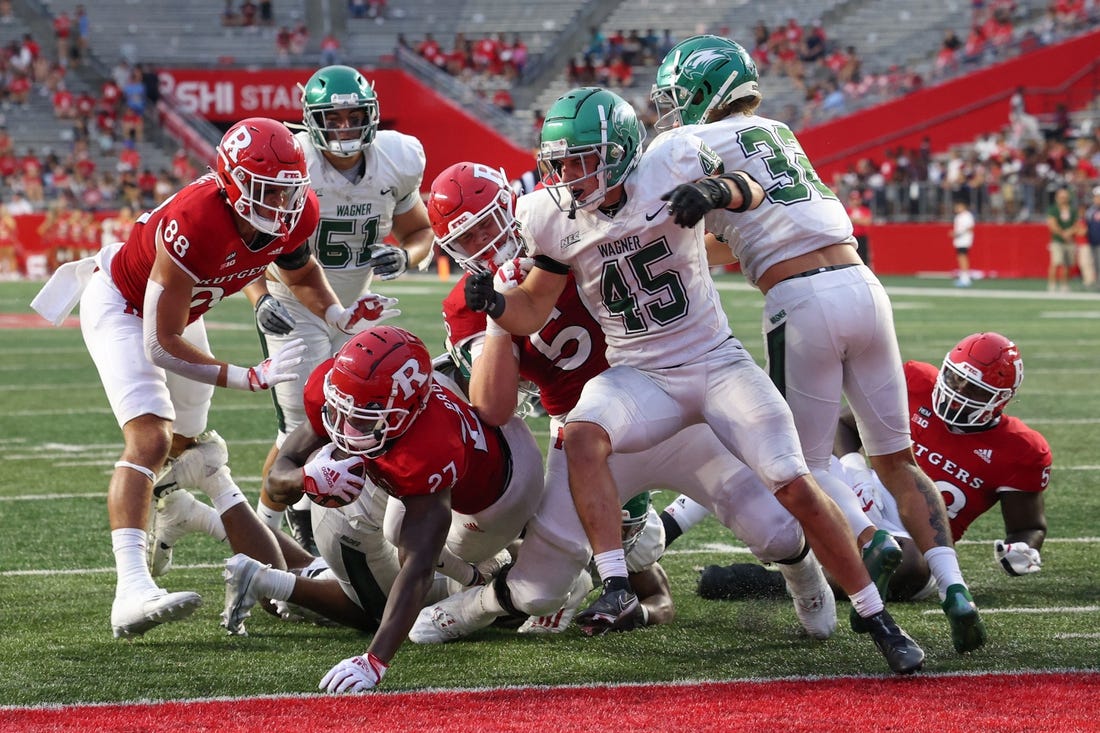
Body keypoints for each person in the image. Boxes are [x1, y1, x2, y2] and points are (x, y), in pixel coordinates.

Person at [464, 88, 924, 674]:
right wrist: (498, 309)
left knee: (794, 483)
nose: (567, 174)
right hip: (639, 372)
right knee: (580, 435)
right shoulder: (550, 216)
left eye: (582, 158)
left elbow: (753, 191)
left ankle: (875, 613)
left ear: (623, 149)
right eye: (559, 161)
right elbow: (532, 307)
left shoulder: (671, 161)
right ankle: (615, 583)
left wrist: (714, 190)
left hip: (714, 361)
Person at [649, 36, 985, 654]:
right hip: (864, 285)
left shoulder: (690, 145)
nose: (672, 113)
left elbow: (705, 213)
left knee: (802, 463)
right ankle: (955, 588)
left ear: (705, 90)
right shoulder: (779, 132)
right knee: (896, 458)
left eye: (678, 98)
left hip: (801, 300)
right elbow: (750, 226)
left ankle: (869, 538)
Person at [413, 162, 838, 646]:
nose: (485, 243)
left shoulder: (566, 231)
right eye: (468, 239)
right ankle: (478, 605)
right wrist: (496, 316)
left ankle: (807, 582)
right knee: (537, 589)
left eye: (489, 223)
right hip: (580, 432)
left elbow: (681, 246)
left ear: (512, 209)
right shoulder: (468, 299)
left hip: (664, 395)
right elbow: (493, 409)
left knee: (775, 529)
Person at [29, 117, 392, 638]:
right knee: (152, 440)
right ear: (230, 183)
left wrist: (338, 315)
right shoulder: (197, 219)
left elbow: (302, 271)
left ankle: (180, 513)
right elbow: (158, 341)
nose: (279, 206)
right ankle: (130, 589)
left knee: (192, 452)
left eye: (288, 191)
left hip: (183, 311)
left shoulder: (294, 212)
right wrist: (248, 376)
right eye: (265, 191)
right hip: (124, 305)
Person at [267, 326, 544, 693]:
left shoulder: (428, 448)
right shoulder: (341, 389)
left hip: (504, 492)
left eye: (365, 415)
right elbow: (278, 474)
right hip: (474, 444)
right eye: (342, 407)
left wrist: (374, 660)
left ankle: (500, 579)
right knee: (394, 531)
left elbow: (419, 567)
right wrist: (305, 478)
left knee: (426, 552)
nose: (345, 426)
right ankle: (489, 572)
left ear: (406, 411)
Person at [697, 332, 1051, 603]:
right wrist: (856, 471)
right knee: (776, 452)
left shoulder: (1021, 450)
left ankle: (775, 583)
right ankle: (668, 524)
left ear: (1001, 399)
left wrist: (1023, 549)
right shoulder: (916, 382)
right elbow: (844, 425)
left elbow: (1027, 526)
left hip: (917, 540)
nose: (957, 393)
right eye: (956, 378)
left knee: (906, 563)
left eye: (973, 389)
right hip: (862, 495)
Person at [246, 65, 432, 555]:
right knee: (298, 424)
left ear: (371, 116)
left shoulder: (397, 158)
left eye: (355, 116)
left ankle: (301, 522)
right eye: (335, 117)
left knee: (353, 418)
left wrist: (407, 257)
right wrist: (261, 298)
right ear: (311, 120)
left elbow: (420, 234)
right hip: (293, 304)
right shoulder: (294, 161)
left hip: (357, 309)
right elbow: (245, 242)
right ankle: (282, 529)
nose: (346, 128)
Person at [1046, 187, 1078, 293]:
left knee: (1067, 264)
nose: (1063, 199)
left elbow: (1077, 224)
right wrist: (1063, 233)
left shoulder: (1072, 210)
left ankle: (1064, 285)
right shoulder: (1053, 209)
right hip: (1058, 240)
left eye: (1065, 197)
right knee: (1056, 263)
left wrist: (1070, 232)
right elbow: (1052, 225)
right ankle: (1052, 285)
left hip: (1069, 241)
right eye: (1061, 197)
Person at [951, 197, 975, 287]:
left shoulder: (967, 215)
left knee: (963, 257)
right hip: (959, 240)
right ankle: (963, 277)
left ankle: (965, 278)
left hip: (964, 240)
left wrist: (957, 233)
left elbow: (970, 227)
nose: (956, 208)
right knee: (960, 258)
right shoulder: (958, 216)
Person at [846, 189, 872, 267]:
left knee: (864, 257)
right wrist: (859, 220)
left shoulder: (864, 210)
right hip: (851, 237)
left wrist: (853, 220)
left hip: (862, 237)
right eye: (852, 199)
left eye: (856, 199)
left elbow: (867, 221)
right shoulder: (847, 210)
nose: (854, 201)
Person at [1084, 186, 1100, 291]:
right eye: (1097, 197)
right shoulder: (1090, 211)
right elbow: (1085, 226)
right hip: (1094, 242)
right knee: (1097, 264)